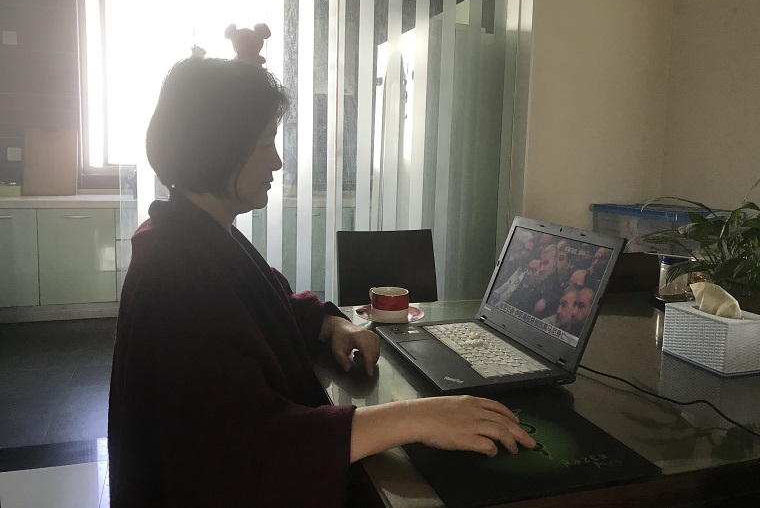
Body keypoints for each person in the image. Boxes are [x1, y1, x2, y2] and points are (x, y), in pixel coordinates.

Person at [108, 57, 536, 507]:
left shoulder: (197, 234)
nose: (277, 160)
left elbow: (269, 306)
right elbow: (248, 449)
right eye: (266, 142)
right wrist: (419, 417)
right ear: (221, 147)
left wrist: (332, 324)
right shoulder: (177, 276)